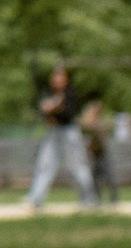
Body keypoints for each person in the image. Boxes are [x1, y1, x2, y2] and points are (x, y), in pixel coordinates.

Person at [27, 60, 93, 211]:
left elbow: (68, 113)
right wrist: (49, 110)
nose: (57, 81)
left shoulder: (70, 93)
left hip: (69, 132)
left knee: (77, 165)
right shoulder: (49, 94)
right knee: (45, 164)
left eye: (60, 77)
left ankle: (88, 198)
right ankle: (36, 198)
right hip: (53, 132)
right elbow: (43, 112)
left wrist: (55, 108)